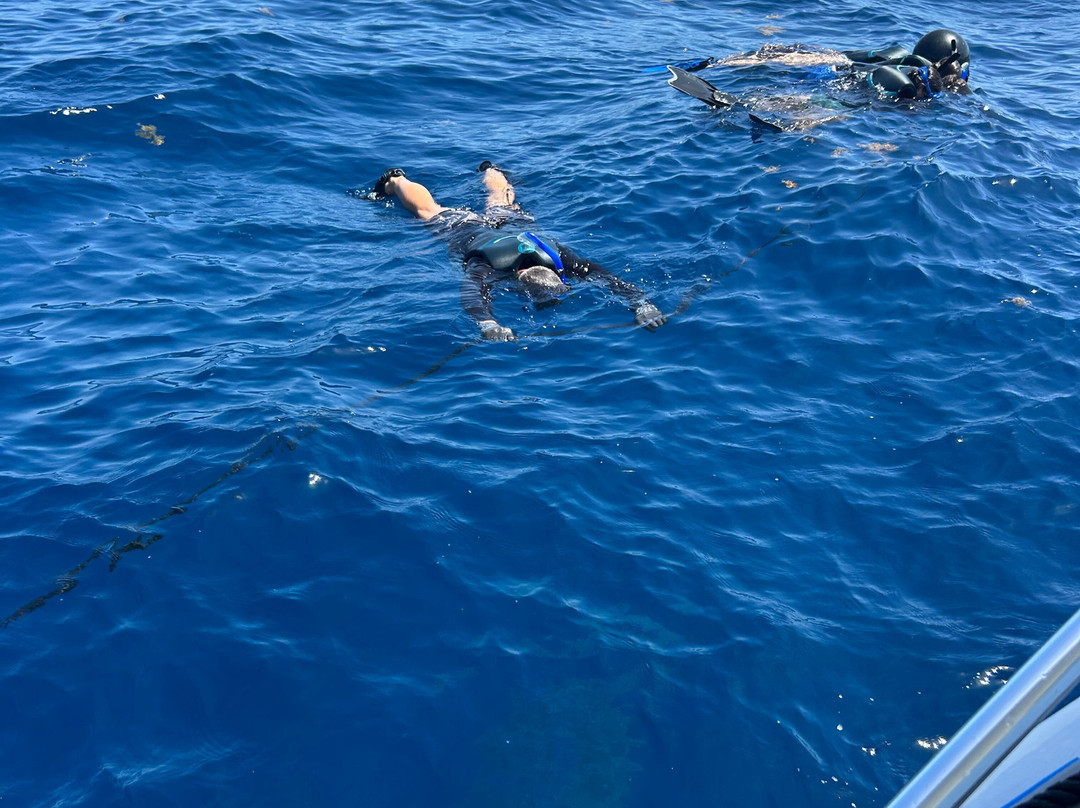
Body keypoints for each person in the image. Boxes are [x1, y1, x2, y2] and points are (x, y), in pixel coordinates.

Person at [366, 163, 668, 341]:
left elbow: (605, 276)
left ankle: (489, 170)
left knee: (501, 200)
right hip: (466, 230)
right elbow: (471, 295)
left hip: (514, 225)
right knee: (428, 210)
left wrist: (642, 303)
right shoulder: (488, 267)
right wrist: (488, 323)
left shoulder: (559, 257)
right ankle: (396, 180)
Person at [664, 29, 971, 127]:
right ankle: (778, 116)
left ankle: (728, 80)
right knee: (832, 109)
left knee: (823, 95)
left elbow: (843, 57)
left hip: (832, 71)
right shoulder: (938, 81)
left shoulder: (895, 54)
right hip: (863, 92)